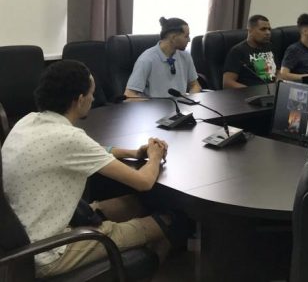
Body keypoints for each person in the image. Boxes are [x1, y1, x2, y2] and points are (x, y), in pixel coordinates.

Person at [1, 60, 177, 278]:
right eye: (91, 93)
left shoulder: (27, 122)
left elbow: (91, 150)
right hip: (48, 253)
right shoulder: (70, 138)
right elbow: (143, 182)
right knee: (168, 221)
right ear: (79, 99)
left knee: (135, 204)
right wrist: (155, 156)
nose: (93, 99)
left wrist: (133, 152)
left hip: (25, 237)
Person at [125, 17, 201, 99]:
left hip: (181, 105)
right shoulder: (146, 59)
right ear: (173, 38)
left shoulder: (185, 56)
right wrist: (150, 104)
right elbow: (129, 95)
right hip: (155, 106)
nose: (189, 40)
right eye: (186, 36)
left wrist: (190, 100)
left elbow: (195, 85)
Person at [222, 14, 276, 89]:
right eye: (263, 29)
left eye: (269, 29)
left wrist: (279, 84)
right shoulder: (238, 51)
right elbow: (227, 83)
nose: (268, 33)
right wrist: (250, 91)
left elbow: (277, 72)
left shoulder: (269, 46)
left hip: (270, 90)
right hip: (249, 93)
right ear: (250, 30)